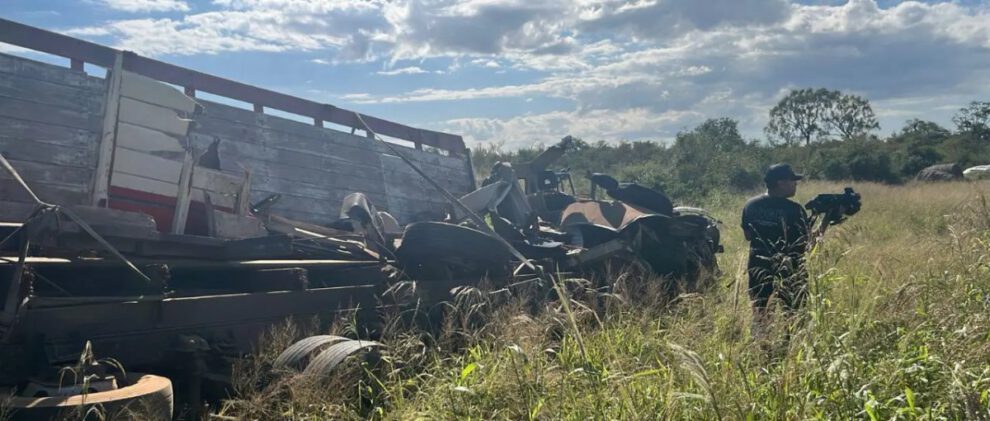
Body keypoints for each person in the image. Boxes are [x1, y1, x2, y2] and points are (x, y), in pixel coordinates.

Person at [741, 163, 812, 311]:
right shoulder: (794, 210)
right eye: (793, 181)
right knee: (795, 315)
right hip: (790, 271)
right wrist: (825, 224)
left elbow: (748, 236)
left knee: (760, 313)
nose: (795, 184)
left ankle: (761, 335)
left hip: (757, 269)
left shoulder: (751, 205)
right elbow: (807, 242)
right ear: (781, 183)